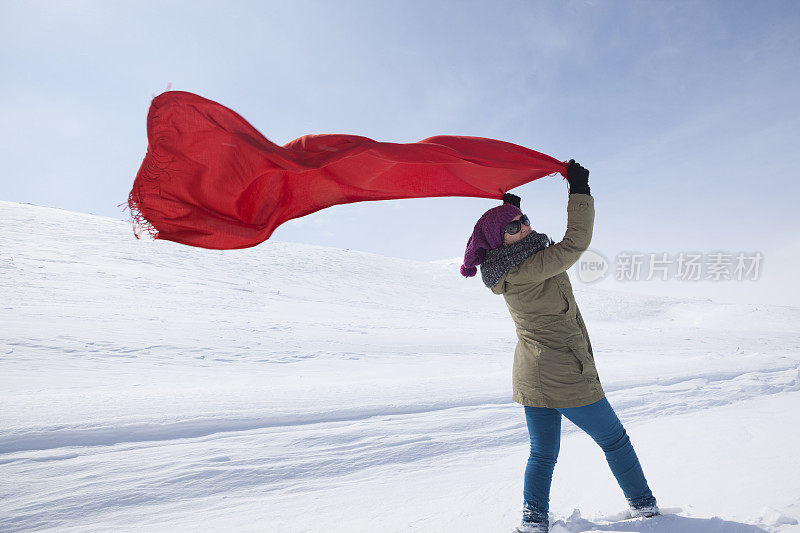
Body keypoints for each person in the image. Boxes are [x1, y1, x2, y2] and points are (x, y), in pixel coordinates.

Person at [460, 160, 659, 533]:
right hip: (564, 373)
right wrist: (579, 192)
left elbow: (524, 240)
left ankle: (533, 522)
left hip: (532, 374)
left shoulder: (507, 267)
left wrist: (509, 208)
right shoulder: (529, 267)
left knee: (543, 453)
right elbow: (575, 244)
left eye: (524, 220)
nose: (525, 228)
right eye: (513, 228)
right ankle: (646, 508)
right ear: (498, 242)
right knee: (615, 440)